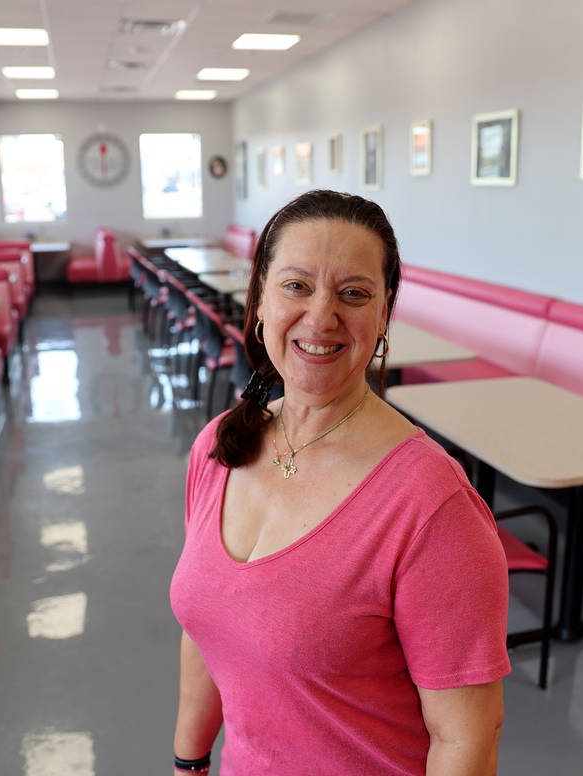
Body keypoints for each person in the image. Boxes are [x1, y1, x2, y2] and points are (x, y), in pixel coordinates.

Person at [169, 190, 510, 775]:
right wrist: (189, 762)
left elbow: (467, 741)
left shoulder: (431, 506)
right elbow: (205, 630)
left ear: (384, 315)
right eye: (296, 286)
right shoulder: (219, 448)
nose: (321, 316)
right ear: (259, 301)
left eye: (353, 293)